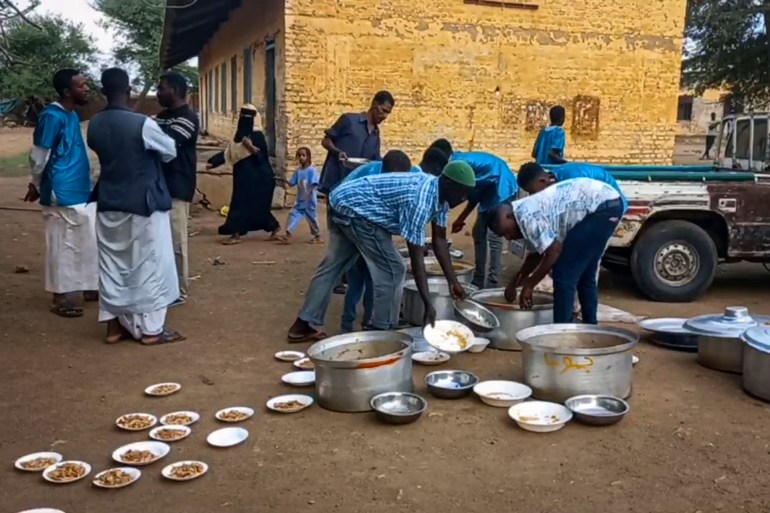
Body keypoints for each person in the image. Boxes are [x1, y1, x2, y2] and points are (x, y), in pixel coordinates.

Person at [287, 162, 476, 342]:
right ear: (449, 185)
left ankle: (302, 324)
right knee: (393, 269)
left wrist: (453, 282)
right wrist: (428, 304)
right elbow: (417, 259)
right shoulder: (420, 200)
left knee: (333, 266)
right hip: (355, 210)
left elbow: (440, 241)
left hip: (344, 202)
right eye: (462, 194)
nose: (463, 200)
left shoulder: (440, 196)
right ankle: (382, 332)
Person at [87, 68, 184, 345]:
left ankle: (113, 327)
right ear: (128, 90)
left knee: (111, 265)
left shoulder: (93, 124)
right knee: (149, 264)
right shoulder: (142, 124)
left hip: (107, 201)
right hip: (143, 202)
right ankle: (151, 330)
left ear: (103, 91)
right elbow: (169, 151)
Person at [488, 178, 623, 324]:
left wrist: (529, 285)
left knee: (563, 273)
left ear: (509, 216)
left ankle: (562, 331)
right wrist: (515, 282)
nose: (509, 238)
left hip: (600, 208)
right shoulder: (522, 212)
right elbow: (536, 254)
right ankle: (590, 327)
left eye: (506, 232)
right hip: (608, 203)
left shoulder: (526, 217)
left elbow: (554, 252)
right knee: (586, 273)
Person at [25, 69, 98, 318]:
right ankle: (59, 295)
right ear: (67, 91)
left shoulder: (72, 114)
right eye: (82, 86)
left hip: (80, 188)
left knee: (85, 238)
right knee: (60, 243)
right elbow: (39, 155)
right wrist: (35, 184)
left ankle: (89, 285)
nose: (87, 89)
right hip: (60, 189)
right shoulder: (52, 116)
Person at [319, 90, 394, 294]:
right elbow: (326, 140)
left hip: (356, 191)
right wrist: (337, 152)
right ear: (374, 105)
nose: (384, 116)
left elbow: (374, 158)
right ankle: (332, 278)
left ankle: (345, 276)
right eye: (383, 111)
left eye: (388, 113)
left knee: (351, 234)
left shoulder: (376, 134)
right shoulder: (349, 121)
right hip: (336, 184)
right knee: (337, 234)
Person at [339, 149, 414, 333]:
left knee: (358, 283)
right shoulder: (382, 184)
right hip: (367, 234)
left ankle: (350, 324)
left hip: (356, 231)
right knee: (375, 281)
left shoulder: (370, 177)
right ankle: (370, 323)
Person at [429, 141, 518, 289]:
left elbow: (465, 194)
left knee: (495, 234)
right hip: (487, 190)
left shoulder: (459, 165)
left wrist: (456, 214)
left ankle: (492, 282)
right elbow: (472, 194)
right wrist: (461, 218)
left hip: (501, 185)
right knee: (478, 232)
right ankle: (478, 279)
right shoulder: (457, 165)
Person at [155, 71, 199, 306]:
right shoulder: (162, 116)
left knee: (177, 241)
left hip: (178, 186)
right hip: (160, 185)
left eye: (161, 88)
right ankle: (165, 286)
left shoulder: (188, 118)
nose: (158, 93)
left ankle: (179, 291)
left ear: (174, 89)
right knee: (161, 241)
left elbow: (164, 145)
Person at [207, 104, 280, 245]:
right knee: (240, 205)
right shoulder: (238, 136)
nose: (243, 121)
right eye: (242, 117)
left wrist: (251, 147)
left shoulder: (257, 136)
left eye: (246, 118)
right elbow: (229, 152)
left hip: (259, 179)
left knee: (254, 206)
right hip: (243, 179)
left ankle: (240, 234)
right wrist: (213, 162)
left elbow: (261, 158)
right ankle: (242, 232)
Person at [517, 161, 628, 214]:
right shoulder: (554, 178)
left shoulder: (572, 180)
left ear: (542, 180)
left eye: (533, 192)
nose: (533, 196)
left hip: (612, 205)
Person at [279, 147, 321, 243]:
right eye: (299, 155)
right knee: (293, 214)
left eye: (303, 155)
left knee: (311, 218)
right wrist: (283, 180)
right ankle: (288, 235)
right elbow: (292, 183)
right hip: (300, 200)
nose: (301, 158)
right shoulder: (299, 171)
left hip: (310, 200)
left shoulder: (312, 170)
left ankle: (318, 236)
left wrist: (308, 194)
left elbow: (314, 184)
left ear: (308, 157)